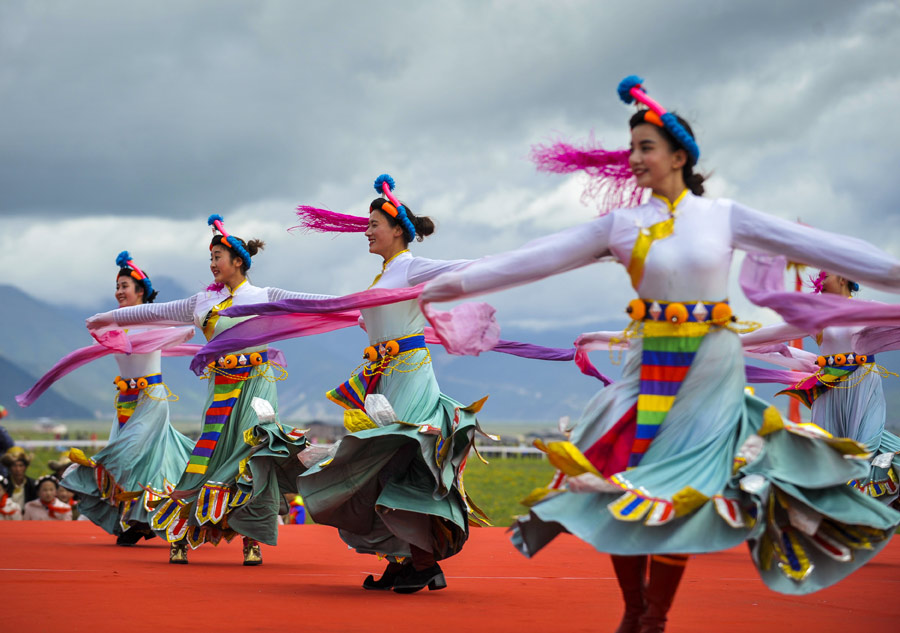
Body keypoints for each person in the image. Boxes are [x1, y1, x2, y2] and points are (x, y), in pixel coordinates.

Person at [420, 76, 900, 632]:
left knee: (683, 491)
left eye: (646, 147)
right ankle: (632, 607)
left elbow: (830, 250)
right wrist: (442, 288)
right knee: (618, 481)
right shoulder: (621, 224)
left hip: (709, 373)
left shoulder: (722, 215)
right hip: (646, 369)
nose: (635, 158)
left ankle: (654, 617)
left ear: (679, 154)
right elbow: (533, 258)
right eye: (632, 149)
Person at [256, 175, 487, 592]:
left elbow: (467, 269)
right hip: (383, 380)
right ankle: (403, 559)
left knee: (398, 460)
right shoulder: (382, 277)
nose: (366, 231)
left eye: (373, 224)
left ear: (397, 229)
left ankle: (423, 561)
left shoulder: (411, 267)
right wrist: (276, 301)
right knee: (380, 467)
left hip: (410, 376)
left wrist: (531, 260)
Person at [85, 216, 326, 565]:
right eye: (210, 258)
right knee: (207, 458)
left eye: (218, 257)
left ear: (238, 261)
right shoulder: (202, 303)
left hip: (258, 388)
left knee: (252, 457)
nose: (212, 264)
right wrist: (106, 318)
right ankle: (180, 533)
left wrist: (360, 306)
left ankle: (251, 538)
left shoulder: (264, 295)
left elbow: (315, 302)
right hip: (221, 389)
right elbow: (154, 311)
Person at [741, 271, 900, 506]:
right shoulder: (817, 317)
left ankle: (857, 508)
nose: (820, 281)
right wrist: (733, 338)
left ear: (843, 278)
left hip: (863, 381)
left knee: (865, 446)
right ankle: (827, 507)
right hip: (828, 385)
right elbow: (774, 332)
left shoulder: (868, 309)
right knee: (825, 447)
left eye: (826, 276)